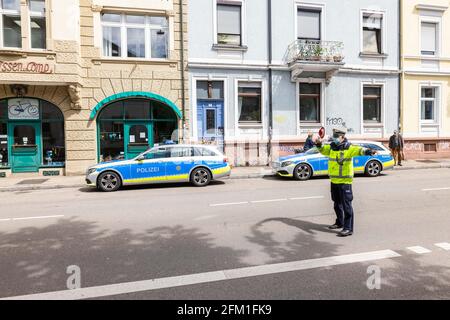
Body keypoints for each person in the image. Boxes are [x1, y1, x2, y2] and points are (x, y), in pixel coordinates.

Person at [314, 127, 377, 237]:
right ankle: (339, 222)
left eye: (336, 137)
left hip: (345, 182)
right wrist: (318, 144)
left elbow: (360, 150)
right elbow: (322, 149)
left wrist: (369, 151)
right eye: (333, 137)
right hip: (334, 181)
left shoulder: (349, 148)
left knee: (347, 206)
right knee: (336, 204)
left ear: (342, 137)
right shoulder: (332, 148)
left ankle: (348, 228)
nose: (334, 139)